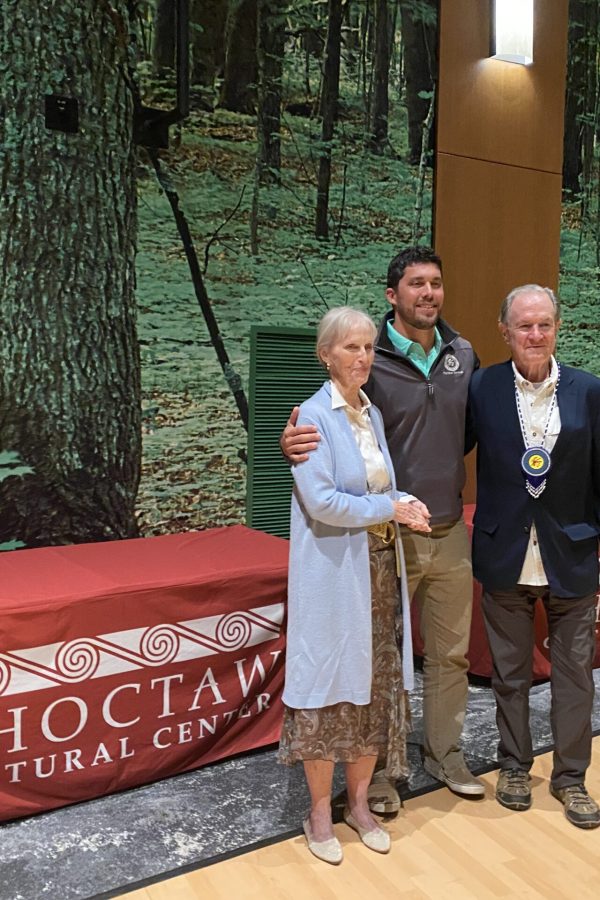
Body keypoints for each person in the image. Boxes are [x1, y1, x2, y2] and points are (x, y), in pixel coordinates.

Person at [281, 247, 484, 809]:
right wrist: (287, 444)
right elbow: (325, 436)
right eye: (416, 284)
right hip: (387, 540)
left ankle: (445, 755)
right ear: (393, 295)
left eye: (436, 283)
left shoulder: (462, 353)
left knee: (449, 657)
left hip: (447, 527)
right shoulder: (370, 365)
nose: (428, 294)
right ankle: (386, 775)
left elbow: (472, 430)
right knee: (386, 659)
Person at [278, 306, 432, 864]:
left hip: (380, 573)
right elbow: (321, 503)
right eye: (350, 347)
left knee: (374, 687)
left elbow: (374, 488)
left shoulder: (371, 414)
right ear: (326, 354)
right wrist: (388, 505)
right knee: (329, 690)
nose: (362, 357)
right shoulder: (311, 418)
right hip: (335, 574)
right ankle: (319, 811)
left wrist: (398, 505)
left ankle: (360, 804)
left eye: (368, 347)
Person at [469, 284, 600, 829]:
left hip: (572, 553)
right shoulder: (482, 387)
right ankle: (515, 767)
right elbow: (439, 445)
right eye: (524, 325)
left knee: (575, 677)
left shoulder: (590, 391)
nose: (535, 334)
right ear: (505, 331)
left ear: (556, 327)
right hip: (506, 552)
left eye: (544, 323)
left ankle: (571, 778)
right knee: (510, 674)